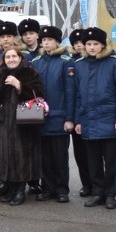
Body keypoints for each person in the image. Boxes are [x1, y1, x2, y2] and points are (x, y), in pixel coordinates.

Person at [74, 27, 116, 210]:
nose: (91, 47)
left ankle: (110, 194)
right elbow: (78, 96)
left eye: (95, 44)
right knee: (93, 161)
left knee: (110, 161)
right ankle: (97, 193)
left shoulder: (114, 63)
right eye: (88, 44)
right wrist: (78, 120)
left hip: (108, 119)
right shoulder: (80, 64)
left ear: (103, 45)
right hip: (88, 120)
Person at [0, 46, 44, 206]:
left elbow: (38, 94)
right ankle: (11, 187)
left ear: (20, 58)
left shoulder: (30, 73)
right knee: (6, 156)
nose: (11, 59)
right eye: (8, 57)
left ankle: (20, 190)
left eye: (14, 56)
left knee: (21, 157)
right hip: (3, 123)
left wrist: (20, 86)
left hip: (24, 122)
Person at [30, 25, 76, 203]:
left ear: (57, 41)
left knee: (60, 157)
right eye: (44, 40)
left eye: (50, 40)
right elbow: (31, 92)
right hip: (39, 118)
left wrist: (69, 118)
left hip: (59, 117)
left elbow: (70, 92)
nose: (46, 42)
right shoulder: (36, 62)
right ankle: (48, 188)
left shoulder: (66, 62)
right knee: (44, 157)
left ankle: (62, 189)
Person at [68, 28, 92, 197]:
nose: (79, 46)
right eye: (76, 43)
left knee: (94, 155)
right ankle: (86, 184)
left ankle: (98, 185)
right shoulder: (71, 62)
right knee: (80, 154)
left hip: (92, 116)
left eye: (81, 43)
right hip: (78, 115)